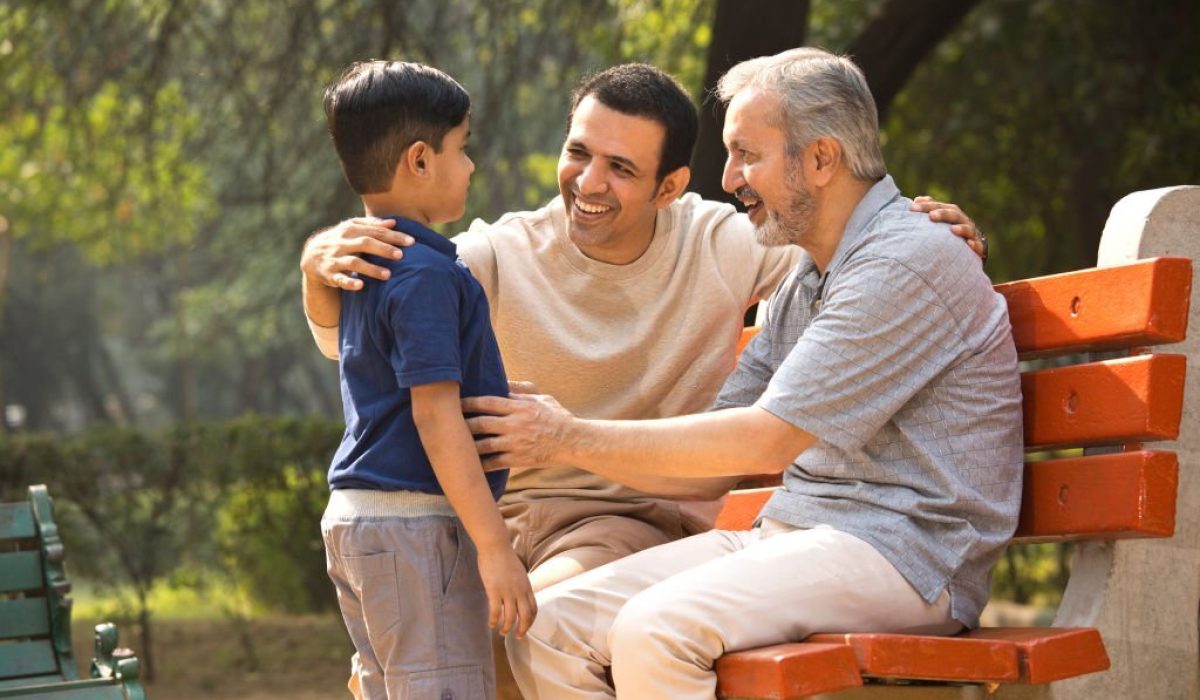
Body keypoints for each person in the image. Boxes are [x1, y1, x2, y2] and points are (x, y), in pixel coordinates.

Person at [302, 63, 984, 698]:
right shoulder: (490, 255)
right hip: (516, 516)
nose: (589, 182)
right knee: (516, 635)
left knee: (512, 637)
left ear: (670, 187)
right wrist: (319, 269)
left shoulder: (755, 245)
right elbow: (361, 346)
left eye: (621, 167)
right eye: (579, 153)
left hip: (651, 521)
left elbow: (775, 427)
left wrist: (565, 436)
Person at [317, 60, 535, 700]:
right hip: (416, 530)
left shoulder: (367, 263)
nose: (469, 166)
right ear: (420, 160)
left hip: (361, 522)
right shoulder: (429, 276)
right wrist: (495, 548)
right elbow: (434, 416)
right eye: (461, 149)